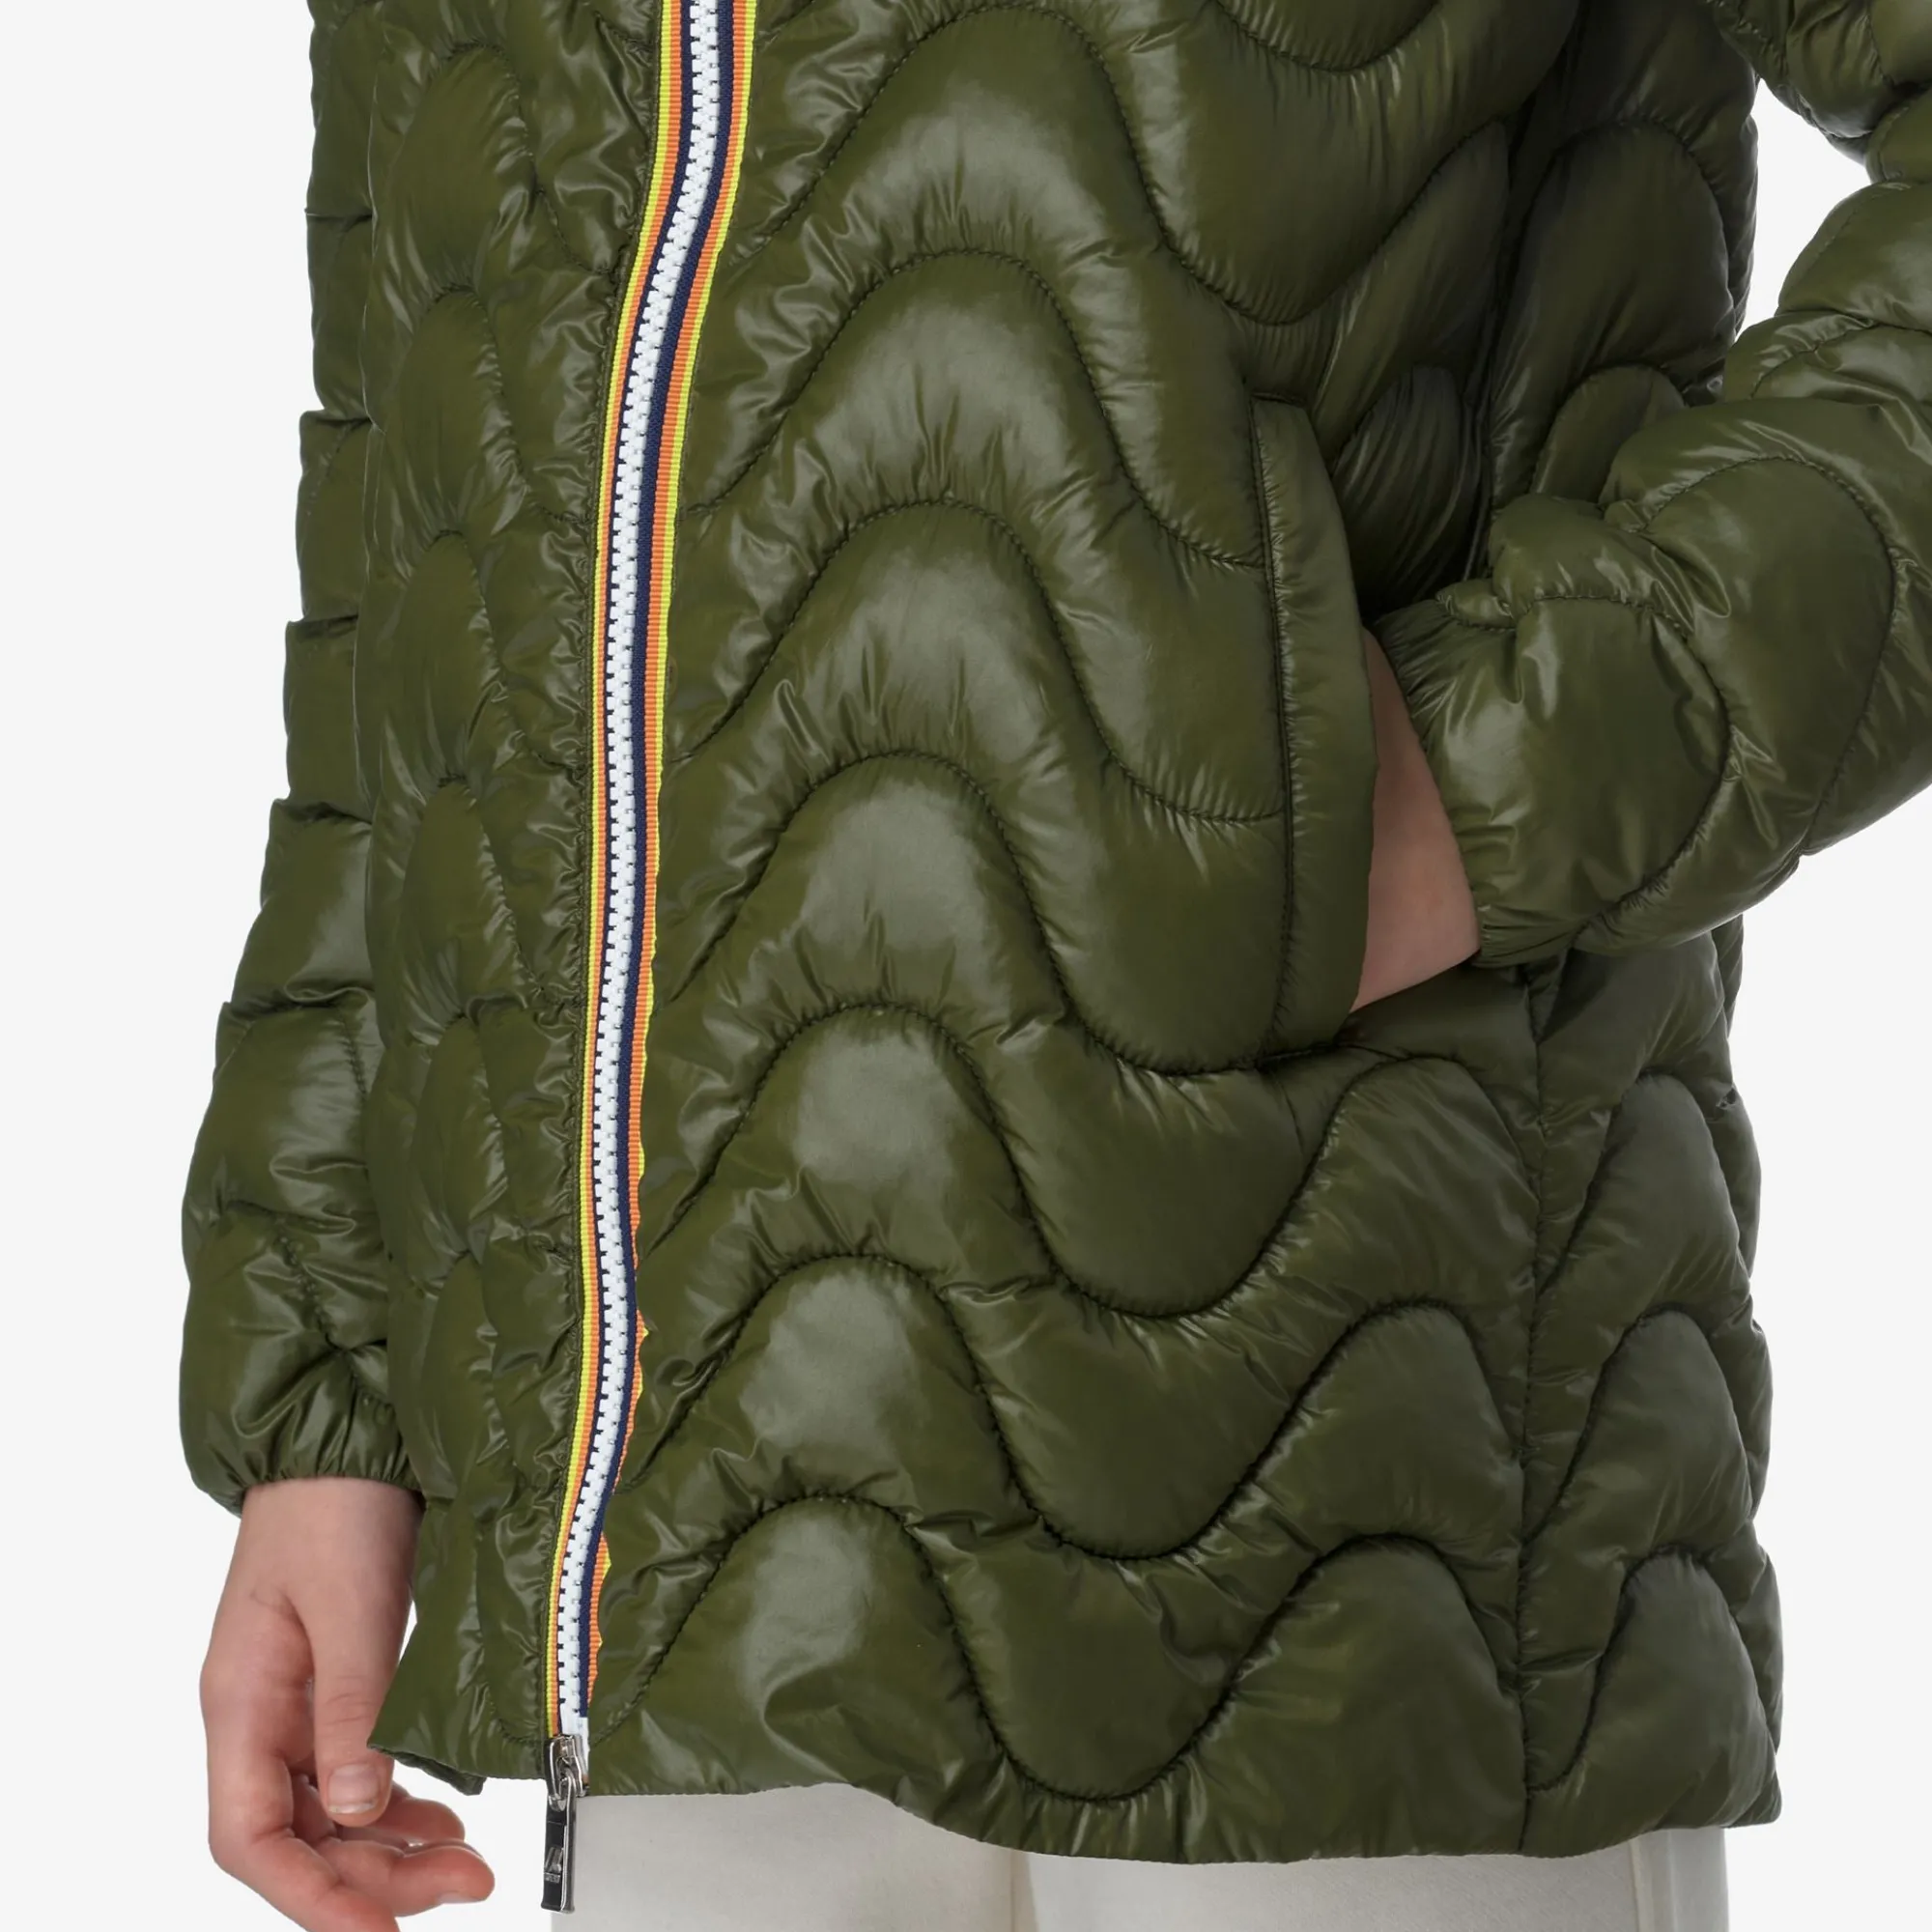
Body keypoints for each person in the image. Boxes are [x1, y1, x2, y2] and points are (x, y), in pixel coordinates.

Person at [179, 2, 1932, 1929]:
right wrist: (334, 1385)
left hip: (1344, 1520)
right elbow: (422, 469)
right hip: (684, 1577)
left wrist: (1495, 771)